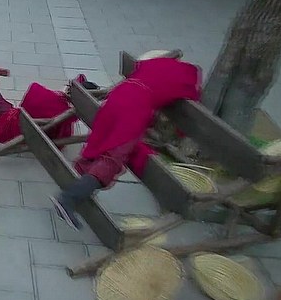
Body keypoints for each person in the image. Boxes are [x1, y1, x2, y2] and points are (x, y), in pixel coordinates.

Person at [50, 55, 202, 230]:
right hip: (135, 108)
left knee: (100, 142)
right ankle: (68, 199)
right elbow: (187, 119)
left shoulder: (163, 62)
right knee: (112, 159)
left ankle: (78, 185)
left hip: (117, 96)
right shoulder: (190, 80)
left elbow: (138, 66)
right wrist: (179, 135)